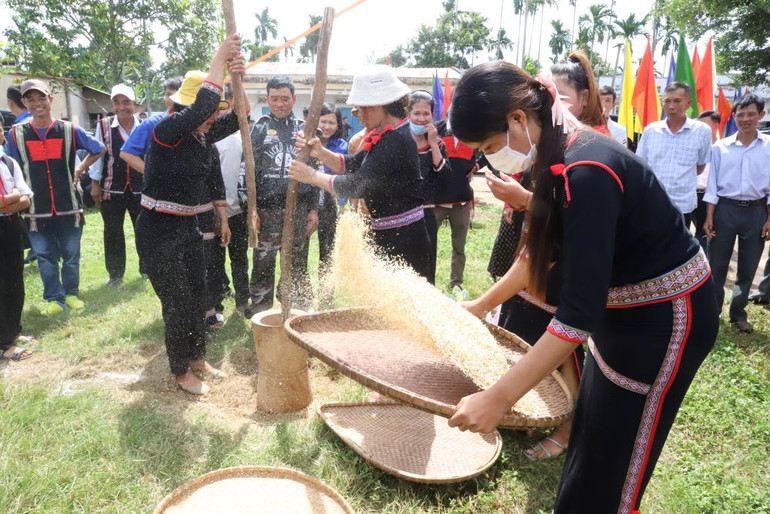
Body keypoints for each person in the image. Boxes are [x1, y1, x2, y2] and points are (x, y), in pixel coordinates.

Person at [447, 62, 718, 513]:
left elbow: (577, 314)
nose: (492, 158)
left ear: (517, 118)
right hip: (620, 312)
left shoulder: (588, 167)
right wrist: (479, 305)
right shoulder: (552, 157)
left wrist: (499, 397)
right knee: (594, 433)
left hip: (665, 319)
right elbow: (539, 256)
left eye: (491, 146)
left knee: (619, 456)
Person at [135, 38, 242, 395]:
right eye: (209, 113)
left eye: (213, 114)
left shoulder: (202, 138)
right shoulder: (165, 132)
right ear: (187, 108)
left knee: (199, 294)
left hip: (188, 227)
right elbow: (207, 105)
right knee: (177, 303)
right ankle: (181, 370)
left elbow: (240, 117)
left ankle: (197, 356)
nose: (214, 118)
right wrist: (220, 56)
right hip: (157, 231)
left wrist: (237, 79)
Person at [289, 65, 430, 279]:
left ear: (380, 105)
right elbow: (354, 163)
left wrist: (311, 176)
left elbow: (356, 185)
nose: (359, 116)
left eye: (362, 109)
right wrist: (320, 152)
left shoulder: (395, 139)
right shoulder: (386, 134)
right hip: (391, 231)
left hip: (405, 237)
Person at [6, 79, 105, 316]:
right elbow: (10, 166)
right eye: (31, 99)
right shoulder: (16, 134)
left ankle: (71, 294)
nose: (37, 103)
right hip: (35, 210)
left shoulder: (69, 129)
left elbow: (99, 148)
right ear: (24, 103)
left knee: (71, 254)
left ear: (50, 100)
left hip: (68, 205)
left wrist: (80, 169)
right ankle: (54, 298)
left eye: (42, 98)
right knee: (44, 256)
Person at [247, 75, 318, 316]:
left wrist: (313, 209)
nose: (280, 104)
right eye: (274, 98)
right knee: (263, 262)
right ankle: (260, 311)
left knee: (296, 261)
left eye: (285, 99)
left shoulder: (305, 130)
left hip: (297, 210)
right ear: (267, 98)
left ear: (293, 99)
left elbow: (315, 172)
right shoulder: (258, 128)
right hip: (266, 212)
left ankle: (296, 311)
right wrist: (252, 211)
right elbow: (249, 173)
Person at [703, 94, 770, 334]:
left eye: (751, 114)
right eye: (740, 115)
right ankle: (713, 311)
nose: (745, 119)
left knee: (748, 267)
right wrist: (709, 216)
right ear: (734, 117)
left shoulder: (768, 147)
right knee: (717, 265)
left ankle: (738, 314)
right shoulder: (721, 147)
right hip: (725, 210)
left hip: (757, 212)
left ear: (761, 116)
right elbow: (712, 185)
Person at [89, 84, 146, 287]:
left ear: (134, 104)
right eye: (116, 102)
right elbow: (98, 155)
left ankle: (146, 268)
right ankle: (115, 274)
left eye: (126, 102)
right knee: (112, 231)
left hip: (140, 189)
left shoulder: (144, 125)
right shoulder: (104, 126)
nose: (121, 107)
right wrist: (95, 183)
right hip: (112, 188)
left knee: (143, 229)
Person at [636, 82, 712, 225]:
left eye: (677, 101)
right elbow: (642, 165)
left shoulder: (702, 131)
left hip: (683, 205)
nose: (671, 106)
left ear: (689, 103)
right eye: (667, 101)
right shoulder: (651, 131)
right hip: (653, 202)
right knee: (651, 245)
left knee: (679, 246)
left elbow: (700, 167)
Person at [214, 84, 251, 315]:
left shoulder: (241, 134)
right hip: (213, 212)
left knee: (239, 259)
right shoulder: (207, 135)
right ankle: (216, 304)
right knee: (214, 261)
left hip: (237, 210)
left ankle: (242, 301)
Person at [408, 90, 450, 285]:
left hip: (426, 214)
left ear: (432, 116)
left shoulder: (438, 144)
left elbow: (443, 174)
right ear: (408, 114)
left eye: (426, 114)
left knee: (426, 263)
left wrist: (432, 142)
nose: (421, 118)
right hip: (401, 213)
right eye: (416, 113)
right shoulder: (399, 141)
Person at [434, 120, 475, 297]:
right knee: (428, 245)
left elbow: (487, 153)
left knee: (459, 247)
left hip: (462, 203)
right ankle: (426, 281)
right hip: (437, 202)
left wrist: (476, 166)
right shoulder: (438, 129)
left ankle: (456, 283)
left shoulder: (473, 132)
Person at [0, 148, 34, 362]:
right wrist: (13, 197)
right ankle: (4, 344)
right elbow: (18, 196)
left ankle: (13, 330)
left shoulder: (8, 161)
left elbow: (26, 199)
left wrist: (9, 199)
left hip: (11, 224)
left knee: (14, 279)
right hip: (8, 216)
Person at [118, 76, 182, 173]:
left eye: (176, 95)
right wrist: (152, 175)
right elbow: (126, 153)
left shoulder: (198, 121)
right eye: (168, 94)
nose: (171, 99)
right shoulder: (152, 123)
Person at [316, 102, 348, 295]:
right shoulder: (307, 141)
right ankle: (302, 295)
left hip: (328, 200)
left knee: (327, 250)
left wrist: (342, 205)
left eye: (331, 122)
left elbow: (342, 177)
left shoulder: (341, 146)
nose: (327, 127)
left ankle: (326, 293)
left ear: (338, 125)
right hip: (305, 200)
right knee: (300, 249)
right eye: (323, 121)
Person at [693, 110, 721, 251]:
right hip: (691, 195)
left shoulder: (722, 148)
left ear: (715, 125)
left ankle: (704, 264)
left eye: (704, 125)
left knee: (704, 232)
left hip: (708, 197)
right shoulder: (695, 145)